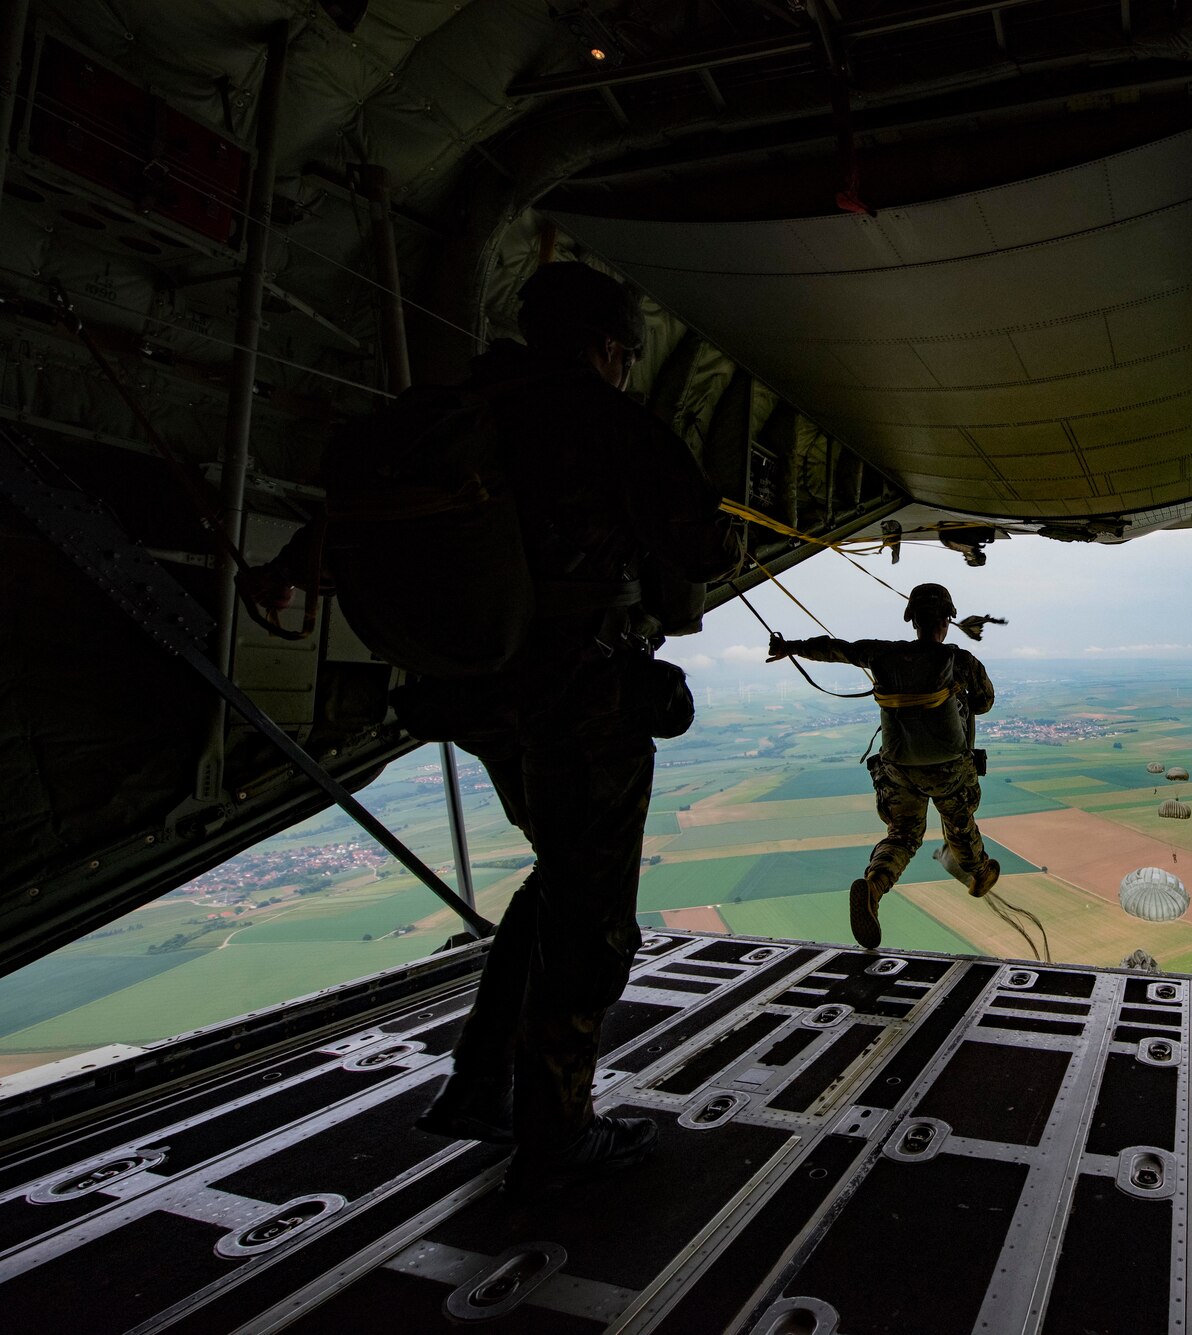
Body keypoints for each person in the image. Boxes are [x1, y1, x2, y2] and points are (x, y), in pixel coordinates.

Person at [256, 263, 737, 1196]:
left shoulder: (451, 409)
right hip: (576, 703)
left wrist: (281, 570)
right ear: (609, 348)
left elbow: (345, 528)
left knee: (560, 873)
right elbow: (697, 548)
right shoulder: (605, 418)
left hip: (477, 698)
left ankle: (480, 1082)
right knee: (594, 919)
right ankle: (556, 1126)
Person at [767, 583, 1000, 948]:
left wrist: (789, 647)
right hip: (947, 769)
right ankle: (979, 871)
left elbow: (835, 649)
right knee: (958, 822)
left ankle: (874, 887)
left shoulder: (881, 654)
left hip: (897, 769)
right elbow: (984, 703)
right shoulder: (962, 661)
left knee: (903, 836)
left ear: (911, 619)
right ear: (947, 619)